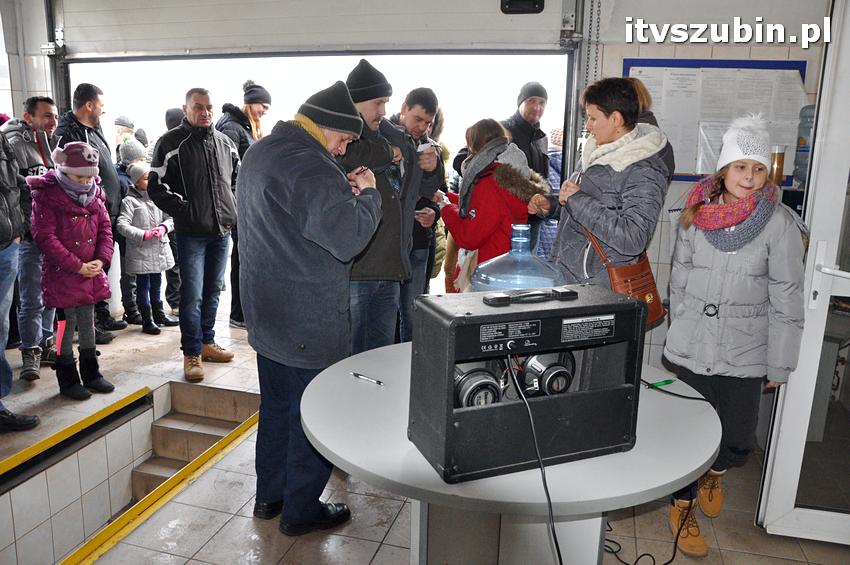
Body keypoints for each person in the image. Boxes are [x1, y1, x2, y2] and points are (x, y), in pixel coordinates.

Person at [237, 81, 382, 536]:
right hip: (306, 318)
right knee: (311, 415)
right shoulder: (310, 166)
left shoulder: (262, 152)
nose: (343, 150)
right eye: (343, 139)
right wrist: (369, 195)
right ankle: (300, 512)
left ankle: (270, 498)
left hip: (267, 313)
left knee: (277, 409)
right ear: (326, 127)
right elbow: (347, 239)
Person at [662, 115, 806, 557]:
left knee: (739, 439)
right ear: (724, 170)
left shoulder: (779, 223)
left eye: (758, 168)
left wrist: (781, 362)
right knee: (688, 435)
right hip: (692, 347)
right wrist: (681, 327)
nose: (749, 176)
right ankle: (681, 507)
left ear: (767, 174)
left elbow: (788, 295)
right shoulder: (693, 215)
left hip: (747, 350)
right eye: (741, 166)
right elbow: (678, 282)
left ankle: (715, 473)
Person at [528, 77, 670, 287]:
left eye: (593, 119)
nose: (588, 126)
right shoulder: (595, 151)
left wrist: (577, 199)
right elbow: (586, 207)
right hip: (570, 280)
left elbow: (633, 238)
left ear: (616, 119)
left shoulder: (644, 169)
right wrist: (552, 205)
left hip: (602, 290)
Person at [149, 88, 239, 382]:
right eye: (198, 107)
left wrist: (231, 209)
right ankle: (191, 352)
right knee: (192, 295)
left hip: (221, 230)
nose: (205, 112)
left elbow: (237, 181)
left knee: (214, 290)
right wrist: (185, 210)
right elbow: (156, 186)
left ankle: (207, 341)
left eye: (209, 107)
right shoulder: (171, 143)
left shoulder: (226, 143)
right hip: (191, 233)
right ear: (185, 109)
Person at [29, 142, 115, 400]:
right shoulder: (48, 196)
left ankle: (92, 373)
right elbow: (45, 237)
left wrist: (101, 259)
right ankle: (66, 376)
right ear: (63, 171)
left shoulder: (95, 194)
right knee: (64, 325)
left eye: (90, 176)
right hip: (64, 272)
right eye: (79, 176)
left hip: (90, 271)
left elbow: (105, 230)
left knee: (88, 321)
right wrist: (77, 265)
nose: (86, 181)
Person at [340, 59, 410, 353]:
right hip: (358, 272)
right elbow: (353, 153)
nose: (383, 111)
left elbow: (405, 148)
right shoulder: (344, 138)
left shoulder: (385, 135)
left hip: (388, 269)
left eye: (386, 103)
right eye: (378, 103)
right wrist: (388, 151)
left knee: (379, 356)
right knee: (350, 358)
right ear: (355, 102)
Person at [55, 83, 129, 344]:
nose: (103, 111)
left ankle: (99, 313)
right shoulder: (67, 134)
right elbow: (67, 177)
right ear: (89, 105)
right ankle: (82, 329)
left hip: (102, 210)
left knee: (100, 265)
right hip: (81, 216)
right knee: (81, 273)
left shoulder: (94, 129)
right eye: (101, 106)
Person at [439, 119, 548, 291]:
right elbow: (483, 208)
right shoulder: (515, 176)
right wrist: (448, 198)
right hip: (507, 269)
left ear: (475, 148)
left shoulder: (489, 181)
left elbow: (470, 236)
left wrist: (444, 207)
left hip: (488, 273)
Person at [1, 96, 59, 380]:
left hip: (54, 232)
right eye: (46, 116)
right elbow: (14, 191)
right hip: (29, 234)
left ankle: (48, 342)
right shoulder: (12, 144)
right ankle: (30, 350)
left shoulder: (53, 143)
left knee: (52, 291)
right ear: (28, 117)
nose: (53, 121)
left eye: (55, 116)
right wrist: (23, 229)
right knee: (31, 296)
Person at [216, 79, 272, 330]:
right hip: (239, 206)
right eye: (262, 105)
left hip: (245, 202)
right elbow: (224, 172)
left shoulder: (243, 126)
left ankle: (243, 312)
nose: (264, 111)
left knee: (245, 259)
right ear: (250, 103)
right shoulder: (232, 128)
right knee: (241, 260)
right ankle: (239, 314)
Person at [390, 88, 443, 342]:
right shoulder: (381, 139)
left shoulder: (430, 149)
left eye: (428, 123)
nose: (421, 127)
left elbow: (434, 194)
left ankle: (410, 370)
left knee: (413, 313)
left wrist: (433, 212)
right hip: (384, 246)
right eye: (417, 119)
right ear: (404, 109)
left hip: (419, 242)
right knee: (386, 315)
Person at [0, 132, 39, 431]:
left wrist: (20, 226)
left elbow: (17, 185)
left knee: (1, 327)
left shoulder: (2, 141)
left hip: (7, 245)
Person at [116, 162, 176, 336]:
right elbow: (122, 224)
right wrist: (143, 234)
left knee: (157, 281)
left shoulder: (157, 197)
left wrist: (164, 227)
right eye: (145, 178)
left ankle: (159, 314)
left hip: (158, 249)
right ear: (136, 181)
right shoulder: (129, 201)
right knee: (143, 285)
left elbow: (170, 217)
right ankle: (147, 319)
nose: (149, 180)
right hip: (141, 251)